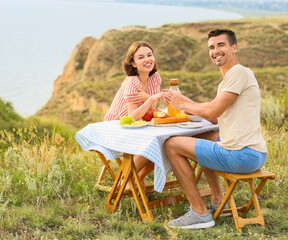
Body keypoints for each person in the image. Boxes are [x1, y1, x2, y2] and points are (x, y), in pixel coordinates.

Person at [162, 28, 267, 229]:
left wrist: (182, 103)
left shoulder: (239, 73)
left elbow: (214, 108)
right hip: (253, 154)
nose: (215, 51)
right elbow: (211, 116)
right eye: (211, 47)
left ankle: (199, 213)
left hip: (242, 156)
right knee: (206, 135)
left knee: (171, 144)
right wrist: (182, 102)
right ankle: (219, 200)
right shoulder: (228, 81)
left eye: (221, 45)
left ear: (234, 47)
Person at [104, 41, 164, 186]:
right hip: (118, 125)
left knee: (166, 145)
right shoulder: (132, 82)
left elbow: (152, 108)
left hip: (140, 125)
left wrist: (148, 100)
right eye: (141, 57)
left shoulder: (155, 78)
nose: (147, 60)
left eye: (150, 55)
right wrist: (149, 99)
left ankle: (135, 177)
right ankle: (128, 179)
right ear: (133, 63)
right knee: (154, 144)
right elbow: (132, 117)